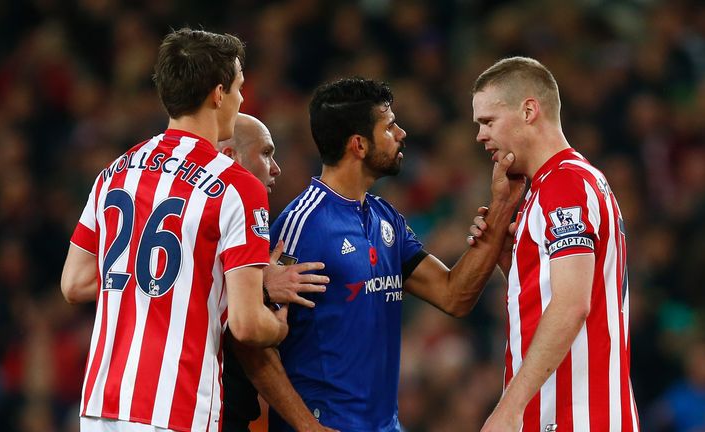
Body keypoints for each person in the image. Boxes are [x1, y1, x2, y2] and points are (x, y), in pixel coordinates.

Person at [263, 77, 524, 432]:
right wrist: (307, 426)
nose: (401, 134)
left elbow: (454, 295)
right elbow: (256, 346)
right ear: (358, 144)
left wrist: (502, 205)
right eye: (389, 127)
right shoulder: (301, 225)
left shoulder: (386, 217)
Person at [60, 28, 288, 432]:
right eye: (238, 88)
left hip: (100, 404)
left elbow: (75, 283)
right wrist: (279, 322)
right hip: (177, 407)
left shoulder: (115, 171)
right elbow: (249, 324)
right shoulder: (236, 185)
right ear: (218, 93)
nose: (241, 99)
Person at [470, 57, 639, 431]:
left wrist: (509, 407)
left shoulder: (564, 187)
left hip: (576, 418)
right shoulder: (552, 186)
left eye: (488, 121)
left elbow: (571, 304)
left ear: (529, 110)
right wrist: (507, 261)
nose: (480, 135)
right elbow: (559, 294)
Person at [216, 113, 333, 432]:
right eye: (266, 153)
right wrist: (260, 293)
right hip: (203, 413)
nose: (276, 167)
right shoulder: (221, 225)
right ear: (230, 158)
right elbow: (249, 337)